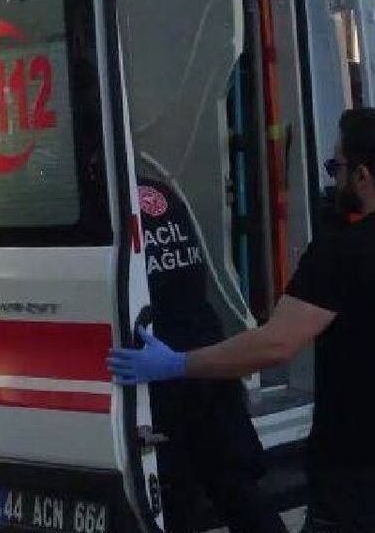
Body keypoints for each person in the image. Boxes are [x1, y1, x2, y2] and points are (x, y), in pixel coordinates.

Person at [109, 109, 375, 533]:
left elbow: (277, 344)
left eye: (336, 167)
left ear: (362, 175)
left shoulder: (341, 252)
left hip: (359, 467)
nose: (334, 178)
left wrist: (179, 363)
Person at [134, 175, 288, 533]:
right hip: (205, 350)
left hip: (162, 364)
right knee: (235, 485)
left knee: (175, 493)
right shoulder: (162, 191)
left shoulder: (111, 199)